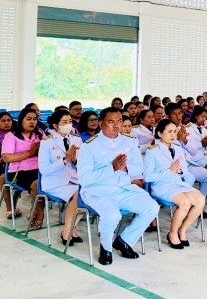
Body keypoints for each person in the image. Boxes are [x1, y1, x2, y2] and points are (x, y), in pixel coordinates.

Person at [77, 108, 159, 265]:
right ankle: (106, 248)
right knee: (113, 215)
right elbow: (84, 178)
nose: (116, 125)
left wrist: (126, 168)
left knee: (151, 207)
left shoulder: (129, 141)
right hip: (99, 191)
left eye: (119, 121)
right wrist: (112, 169)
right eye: (111, 122)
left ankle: (124, 241)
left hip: (124, 188)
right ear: (101, 123)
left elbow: (139, 167)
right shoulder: (89, 146)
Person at [144, 119, 205, 249]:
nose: (173, 135)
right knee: (185, 203)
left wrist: (180, 171)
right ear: (160, 134)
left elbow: (185, 170)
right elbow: (148, 176)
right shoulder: (152, 151)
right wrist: (169, 171)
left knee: (200, 200)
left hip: (178, 183)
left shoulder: (177, 148)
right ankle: (172, 234)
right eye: (169, 132)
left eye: (174, 131)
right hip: (162, 186)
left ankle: (182, 230)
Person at [39, 110, 83, 245]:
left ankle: (69, 229)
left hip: (74, 180)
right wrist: (64, 160)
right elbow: (44, 169)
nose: (68, 124)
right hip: (54, 183)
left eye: (70, 121)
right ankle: (67, 232)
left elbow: (84, 165)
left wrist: (75, 160)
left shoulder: (77, 139)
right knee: (79, 194)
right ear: (56, 125)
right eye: (64, 122)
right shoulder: (47, 142)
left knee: (90, 194)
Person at [0, 109, 44, 224]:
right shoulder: (11, 136)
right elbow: (7, 158)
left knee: (45, 180)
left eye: (35, 119)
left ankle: (35, 210)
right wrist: (30, 153)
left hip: (40, 169)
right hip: (19, 171)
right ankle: (38, 213)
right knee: (37, 184)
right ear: (21, 120)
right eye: (28, 119)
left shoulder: (39, 133)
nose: (32, 122)